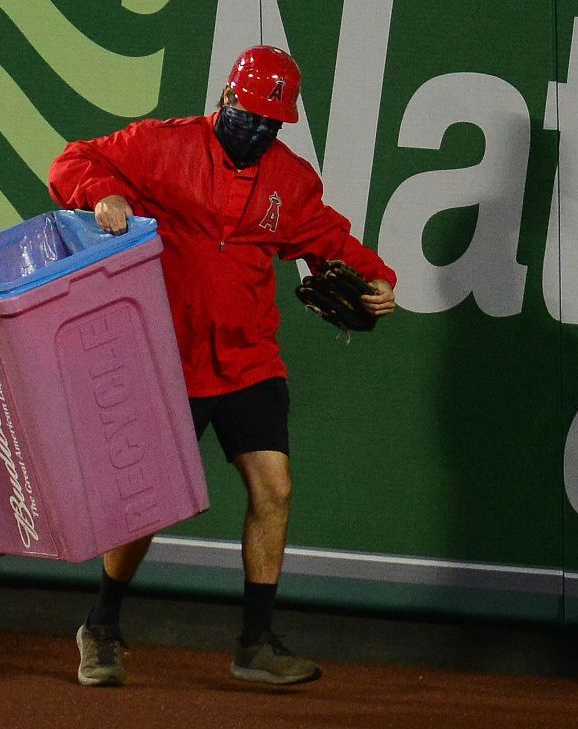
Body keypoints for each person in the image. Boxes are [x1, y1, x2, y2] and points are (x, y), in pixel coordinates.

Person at [48, 45, 397, 687]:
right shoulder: (165, 145)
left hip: (248, 358)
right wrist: (102, 195)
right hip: (169, 359)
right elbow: (74, 160)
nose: (260, 130)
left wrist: (376, 277)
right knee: (147, 506)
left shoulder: (288, 180)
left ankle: (255, 644)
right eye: (252, 114)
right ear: (226, 100)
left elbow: (326, 239)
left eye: (274, 123)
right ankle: (101, 626)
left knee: (276, 487)